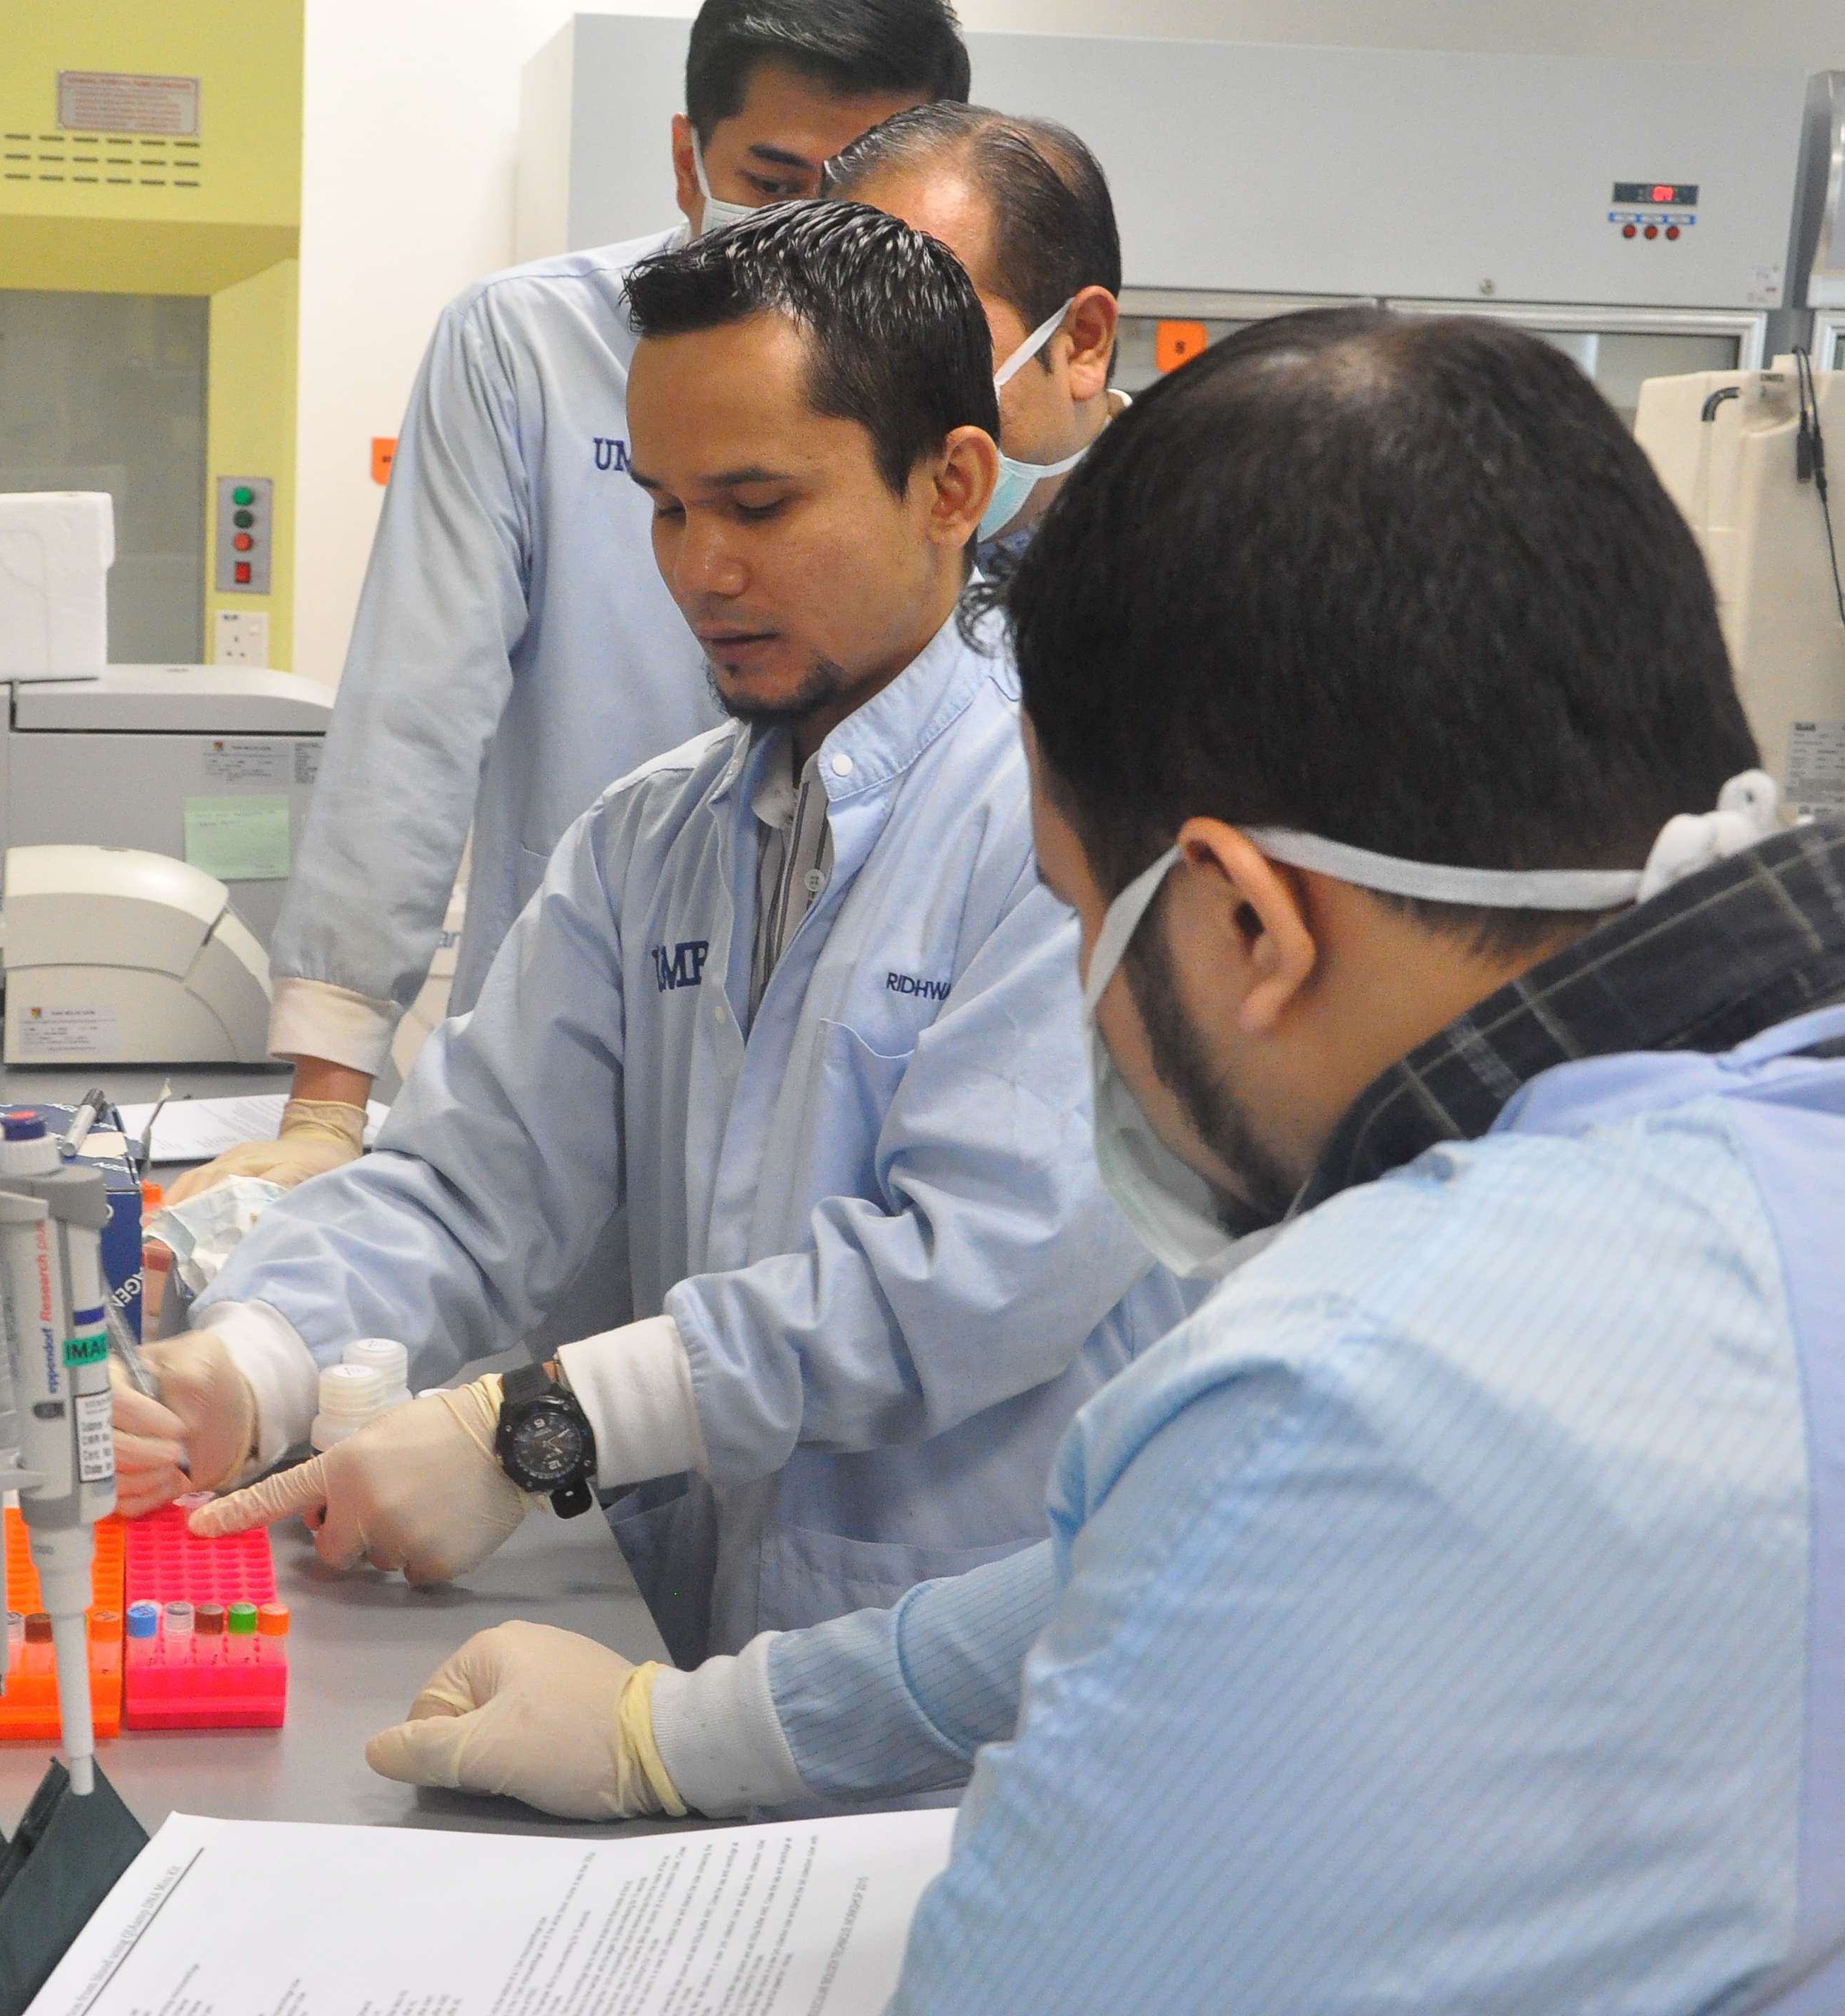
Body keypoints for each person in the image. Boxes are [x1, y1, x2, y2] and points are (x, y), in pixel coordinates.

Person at [360, 308, 1845, 2013]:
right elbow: (1134, 1565)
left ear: (1247, 922)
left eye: (1074, 916)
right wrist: (681, 1728)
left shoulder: (1366, 1376)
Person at [123, 201, 1190, 1668]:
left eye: (757, 506)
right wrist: (250, 1362)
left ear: (949, 486)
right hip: (703, 1669)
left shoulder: (1059, 825)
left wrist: (542, 1423)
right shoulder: (653, 839)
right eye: (668, 507)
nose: (698, 570)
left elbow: (964, 1275)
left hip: (973, 1686)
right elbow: (468, 1188)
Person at [171, 0, 971, 1205]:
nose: (809, 229)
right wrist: (326, 1101)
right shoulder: (529, 344)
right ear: (687, 158)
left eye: (859, 196)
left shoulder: (956, 378)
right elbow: (415, 710)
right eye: (772, 181)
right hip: (573, 1027)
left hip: (860, 1030)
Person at [822, 102, 1123, 559]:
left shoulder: (1203, 559)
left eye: (921, 341)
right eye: (843, 344)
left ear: (1083, 342)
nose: (874, 398)